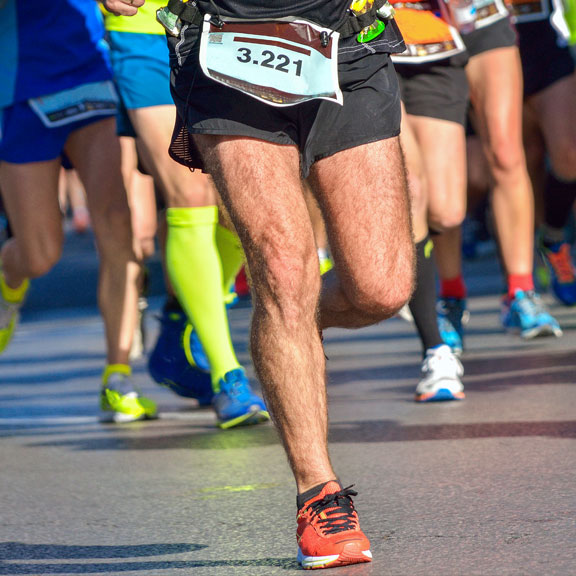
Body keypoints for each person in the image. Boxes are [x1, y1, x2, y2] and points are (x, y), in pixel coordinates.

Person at [104, 0, 415, 568]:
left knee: (382, 288)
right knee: (282, 268)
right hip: (229, 46)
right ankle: (319, 495)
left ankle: (284, 330)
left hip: (349, 41)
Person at [102, 0, 270, 428]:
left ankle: (183, 324)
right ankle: (228, 376)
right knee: (190, 191)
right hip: (140, 29)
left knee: (238, 200)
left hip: (228, 23)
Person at [0, 0, 156, 423]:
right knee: (40, 254)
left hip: (89, 70)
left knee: (116, 220)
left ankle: (118, 374)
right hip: (20, 82)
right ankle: (8, 278)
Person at [433, 8, 563, 346]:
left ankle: (521, 291)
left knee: (507, 154)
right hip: (421, 28)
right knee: (445, 172)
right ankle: (451, 296)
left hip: (482, 16)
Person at [391, 0, 467, 401]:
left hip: (432, 43)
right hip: (368, 45)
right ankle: (435, 349)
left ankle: (442, 291)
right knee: (411, 185)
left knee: (447, 210)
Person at [511, 0, 576, 306]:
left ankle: (552, 236)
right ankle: (528, 266)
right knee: (526, 160)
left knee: (570, 155)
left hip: (545, 39)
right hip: (490, 45)